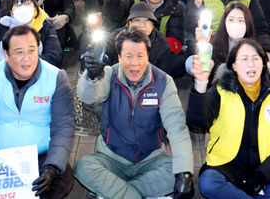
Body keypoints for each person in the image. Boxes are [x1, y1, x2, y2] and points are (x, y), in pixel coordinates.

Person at [0, 25, 75, 198]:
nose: (27, 59)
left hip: (40, 156)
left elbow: (64, 126)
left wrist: (52, 167)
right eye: (19, 52)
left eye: (32, 50)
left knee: (56, 185)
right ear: (6, 55)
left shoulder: (56, 77)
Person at [74, 27, 195, 199]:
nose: (135, 63)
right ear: (119, 57)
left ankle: (114, 192)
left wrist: (185, 173)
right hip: (112, 159)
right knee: (83, 167)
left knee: (175, 171)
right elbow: (86, 96)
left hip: (151, 159)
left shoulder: (163, 82)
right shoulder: (108, 74)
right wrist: (92, 76)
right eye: (129, 56)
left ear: (148, 56)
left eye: (140, 56)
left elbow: (177, 128)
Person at [187, 38, 270, 198]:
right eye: (244, 59)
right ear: (233, 66)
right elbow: (196, 121)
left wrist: (260, 176)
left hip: (266, 169)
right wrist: (200, 84)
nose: (251, 64)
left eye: (255, 58)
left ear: (263, 64)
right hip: (228, 168)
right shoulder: (220, 92)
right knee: (209, 183)